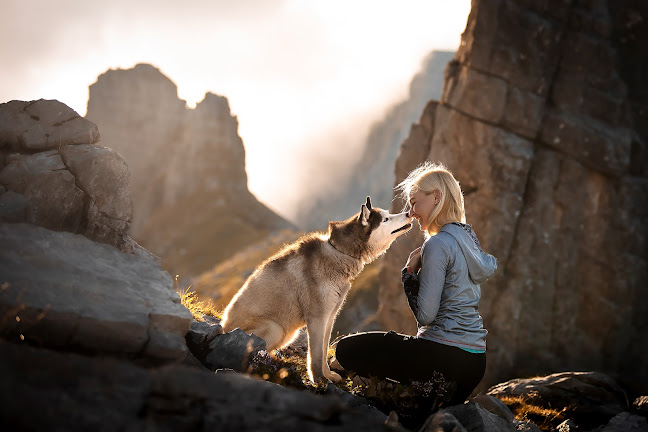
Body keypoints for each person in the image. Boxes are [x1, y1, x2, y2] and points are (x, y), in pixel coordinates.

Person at [334, 161, 498, 405]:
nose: (410, 212)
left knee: (345, 349)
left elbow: (426, 317)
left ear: (436, 197)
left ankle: (384, 399)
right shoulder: (469, 239)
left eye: (414, 201)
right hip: (474, 363)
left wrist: (409, 274)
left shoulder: (437, 243)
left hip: (442, 356)